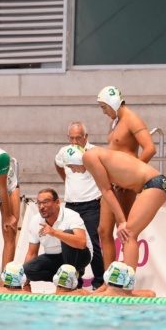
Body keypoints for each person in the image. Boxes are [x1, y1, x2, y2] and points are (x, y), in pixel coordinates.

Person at [64, 145, 166, 270]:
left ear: (75, 160)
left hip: (154, 184)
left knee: (128, 234)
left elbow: (107, 191)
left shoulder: (88, 157)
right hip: (156, 183)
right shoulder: (95, 154)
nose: (73, 171)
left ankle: (126, 286)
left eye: (71, 166)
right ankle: (120, 284)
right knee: (126, 234)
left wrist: (122, 221)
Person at [96, 86, 156, 270]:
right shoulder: (115, 122)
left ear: (113, 103)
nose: (104, 112)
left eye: (104, 107)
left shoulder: (132, 119)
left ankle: (124, 280)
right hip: (113, 183)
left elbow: (150, 148)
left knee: (125, 232)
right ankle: (108, 280)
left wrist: (130, 175)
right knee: (104, 231)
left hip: (125, 185)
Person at [55, 121, 104, 289]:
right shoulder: (63, 152)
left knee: (93, 244)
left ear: (86, 137)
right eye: (71, 138)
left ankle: (99, 282)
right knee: (70, 243)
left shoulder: (93, 153)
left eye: (78, 138)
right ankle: (74, 281)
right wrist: (67, 179)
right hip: (71, 204)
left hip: (91, 204)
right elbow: (58, 164)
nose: (74, 142)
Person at [23, 188, 92, 286]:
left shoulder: (71, 216)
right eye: (39, 203)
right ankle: (62, 280)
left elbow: (81, 243)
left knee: (68, 233)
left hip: (79, 256)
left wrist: (55, 233)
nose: (41, 207)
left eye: (46, 202)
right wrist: (26, 282)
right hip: (54, 258)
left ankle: (71, 277)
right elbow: (32, 253)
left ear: (57, 203)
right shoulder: (35, 221)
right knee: (27, 269)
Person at [91, 261, 155, 298]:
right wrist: (127, 293)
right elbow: (152, 293)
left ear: (106, 276)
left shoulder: (94, 297)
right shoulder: (134, 298)